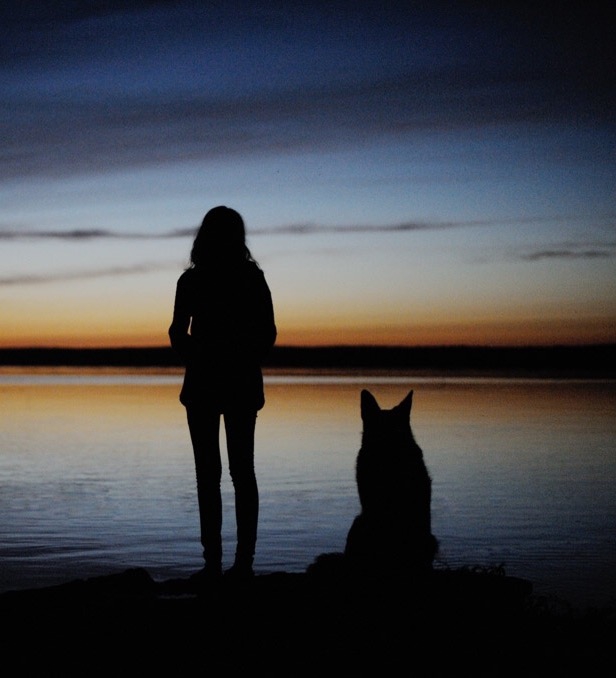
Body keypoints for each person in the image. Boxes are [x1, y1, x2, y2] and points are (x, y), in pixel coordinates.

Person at [169, 206, 277, 579]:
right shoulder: (209, 280)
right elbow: (177, 333)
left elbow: (267, 334)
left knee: (224, 473)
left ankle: (231, 564)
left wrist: (210, 356)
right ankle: (225, 564)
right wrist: (204, 358)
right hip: (217, 383)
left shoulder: (228, 279)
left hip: (225, 382)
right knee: (229, 473)